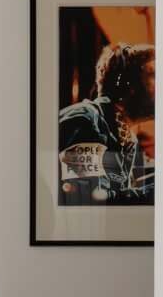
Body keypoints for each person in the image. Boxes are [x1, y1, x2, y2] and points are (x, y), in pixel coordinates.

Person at [57, 40, 154, 204]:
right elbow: (90, 199)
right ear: (128, 82)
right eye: (155, 75)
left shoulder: (128, 139)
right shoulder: (85, 120)